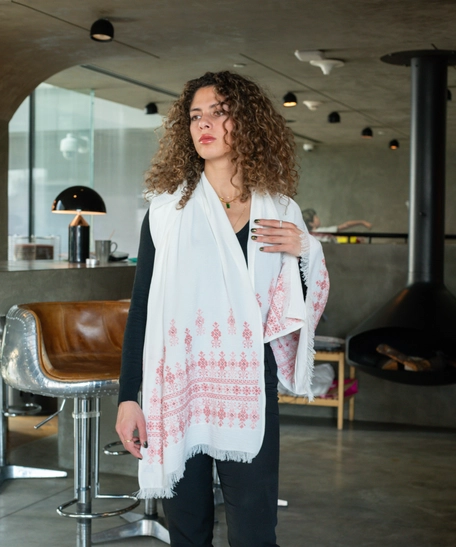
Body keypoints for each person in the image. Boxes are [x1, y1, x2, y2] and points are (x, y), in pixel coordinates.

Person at [116, 71, 329, 547]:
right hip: (178, 386)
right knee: (188, 532)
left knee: (255, 532)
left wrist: (304, 252)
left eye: (219, 112)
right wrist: (130, 395)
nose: (204, 124)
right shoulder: (165, 212)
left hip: (247, 387)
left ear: (246, 124)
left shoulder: (281, 211)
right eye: (195, 116)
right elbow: (143, 309)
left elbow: (289, 307)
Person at [301, 208, 372, 242]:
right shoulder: (321, 232)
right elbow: (345, 225)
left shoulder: (308, 236)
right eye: (316, 217)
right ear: (311, 223)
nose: (318, 218)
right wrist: (362, 222)